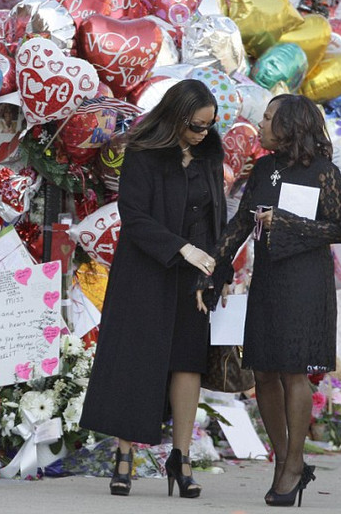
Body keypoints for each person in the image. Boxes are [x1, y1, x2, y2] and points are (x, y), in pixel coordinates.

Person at [80, 79, 225, 498]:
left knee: (188, 362)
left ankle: (181, 460)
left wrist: (214, 272)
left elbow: (216, 217)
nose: (203, 134)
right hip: (145, 270)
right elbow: (134, 216)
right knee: (135, 360)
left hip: (193, 274)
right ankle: (123, 455)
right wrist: (182, 249)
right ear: (177, 116)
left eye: (208, 126)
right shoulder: (143, 151)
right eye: (197, 126)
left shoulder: (209, 154)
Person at [208, 94, 341, 507]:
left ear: (290, 126)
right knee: (264, 371)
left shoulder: (325, 172)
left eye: (269, 119)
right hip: (269, 276)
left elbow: (340, 229)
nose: (262, 125)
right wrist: (215, 269)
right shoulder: (265, 168)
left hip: (305, 281)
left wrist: (285, 221)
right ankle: (282, 458)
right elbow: (241, 222)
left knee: (293, 372)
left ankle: (294, 462)